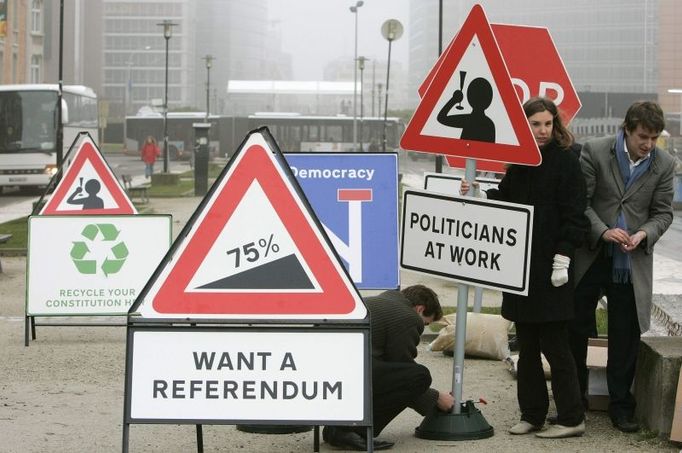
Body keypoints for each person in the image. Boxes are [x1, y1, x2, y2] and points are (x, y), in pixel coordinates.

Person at [461, 97, 589, 438]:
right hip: (519, 270)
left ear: (556, 125)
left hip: (552, 270)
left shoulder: (567, 162)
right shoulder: (518, 162)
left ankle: (572, 418)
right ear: (524, 126)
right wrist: (479, 192)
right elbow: (506, 204)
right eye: (535, 124)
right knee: (527, 347)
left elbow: (576, 215)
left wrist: (563, 257)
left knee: (556, 346)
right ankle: (532, 414)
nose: (543, 130)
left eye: (548, 123)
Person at [569, 101, 675, 433]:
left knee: (625, 334)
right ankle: (575, 400)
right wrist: (603, 231)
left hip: (631, 260)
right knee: (576, 325)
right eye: (643, 136)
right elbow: (581, 203)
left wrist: (643, 233)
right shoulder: (595, 151)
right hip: (592, 253)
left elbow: (663, 213)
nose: (648, 144)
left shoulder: (665, 163)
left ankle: (621, 407)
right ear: (626, 129)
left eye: (654, 137)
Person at [322, 284, 454, 451]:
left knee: (381, 371)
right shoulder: (408, 317)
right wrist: (436, 399)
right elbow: (404, 372)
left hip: (325, 370)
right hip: (347, 372)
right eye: (425, 323)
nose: (422, 327)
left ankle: (337, 428)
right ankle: (354, 429)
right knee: (420, 376)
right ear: (420, 309)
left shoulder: (376, 302)